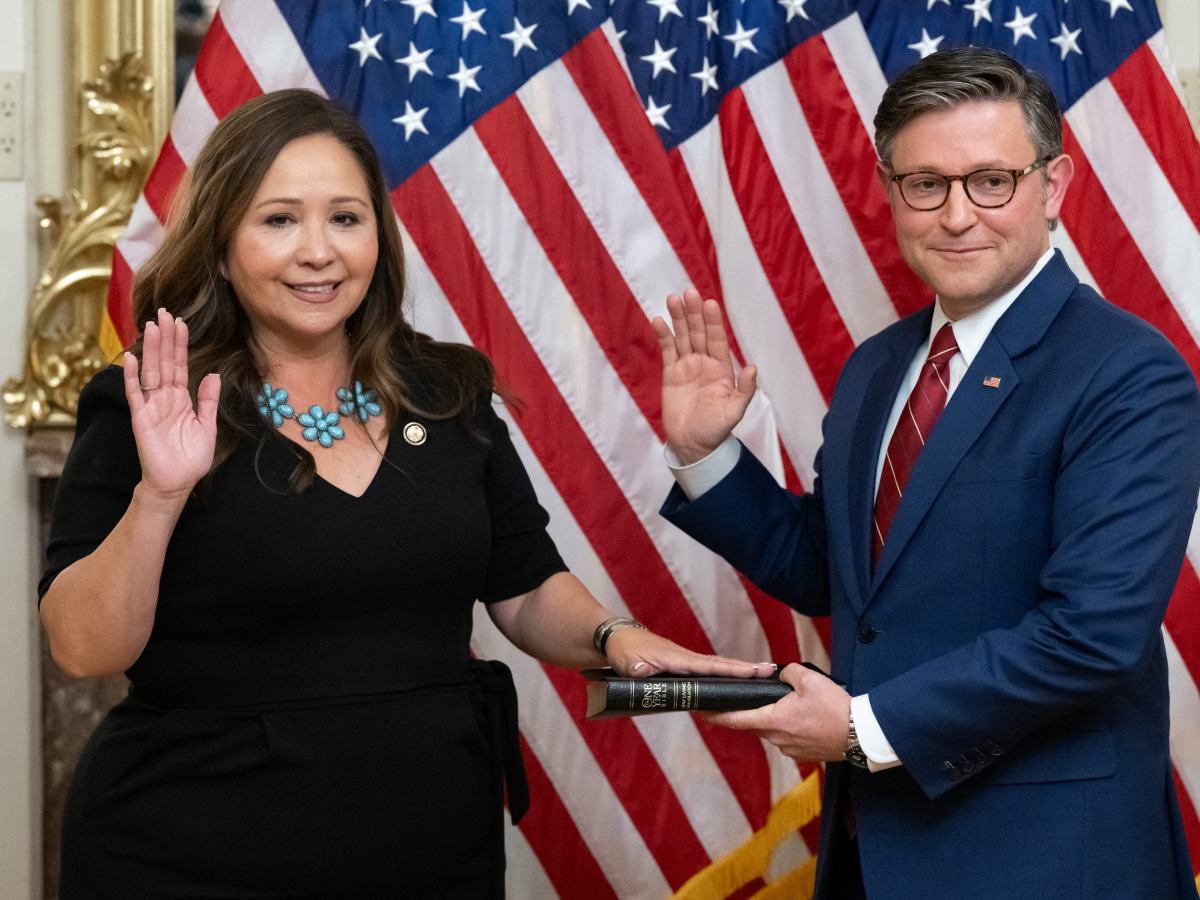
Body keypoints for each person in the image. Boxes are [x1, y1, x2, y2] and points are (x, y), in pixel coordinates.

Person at [38, 89, 770, 899]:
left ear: (378, 241)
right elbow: (83, 648)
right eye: (279, 220)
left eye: (345, 219)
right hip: (189, 851)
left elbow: (524, 587)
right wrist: (161, 496)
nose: (319, 251)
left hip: (431, 843)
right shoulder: (150, 399)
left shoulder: (446, 391)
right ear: (219, 248)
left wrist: (612, 636)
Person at [653, 47, 1200, 900]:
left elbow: (1092, 634)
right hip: (876, 851)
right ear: (891, 190)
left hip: (1050, 861)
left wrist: (862, 727)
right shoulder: (879, 369)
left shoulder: (1129, 371)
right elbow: (843, 578)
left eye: (991, 180)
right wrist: (706, 455)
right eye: (926, 184)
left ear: (1052, 186)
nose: (956, 216)